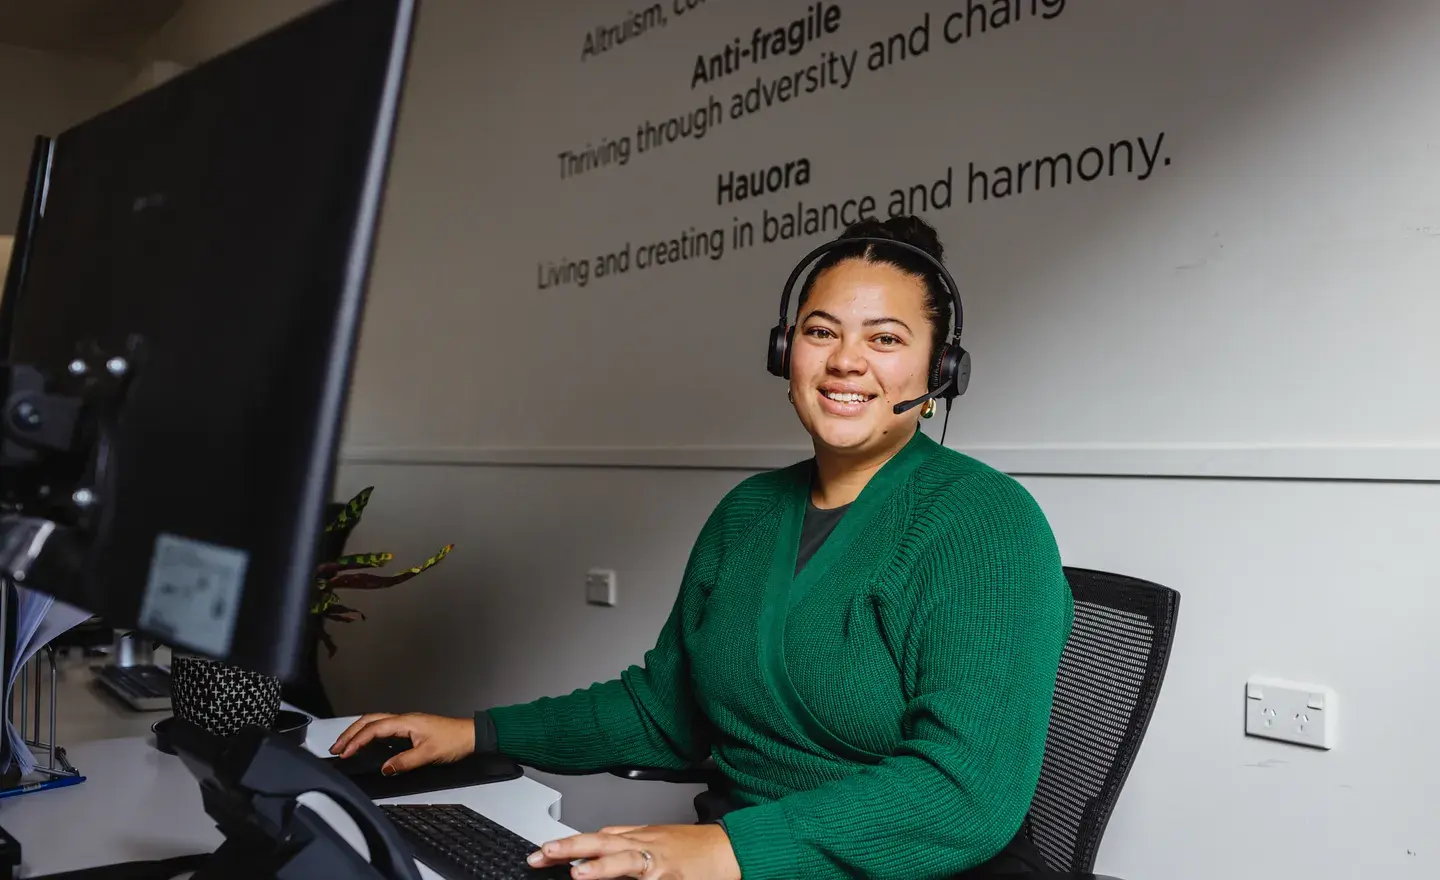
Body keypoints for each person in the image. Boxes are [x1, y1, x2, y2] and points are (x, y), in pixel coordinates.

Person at [331, 215, 1074, 880]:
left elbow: (965, 794)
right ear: (787, 354)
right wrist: (477, 732)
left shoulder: (984, 523)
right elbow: (665, 710)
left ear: (939, 371)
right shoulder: (747, 513)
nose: (847, 361)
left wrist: (726, 851)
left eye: (885, 339)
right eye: (821, 332)